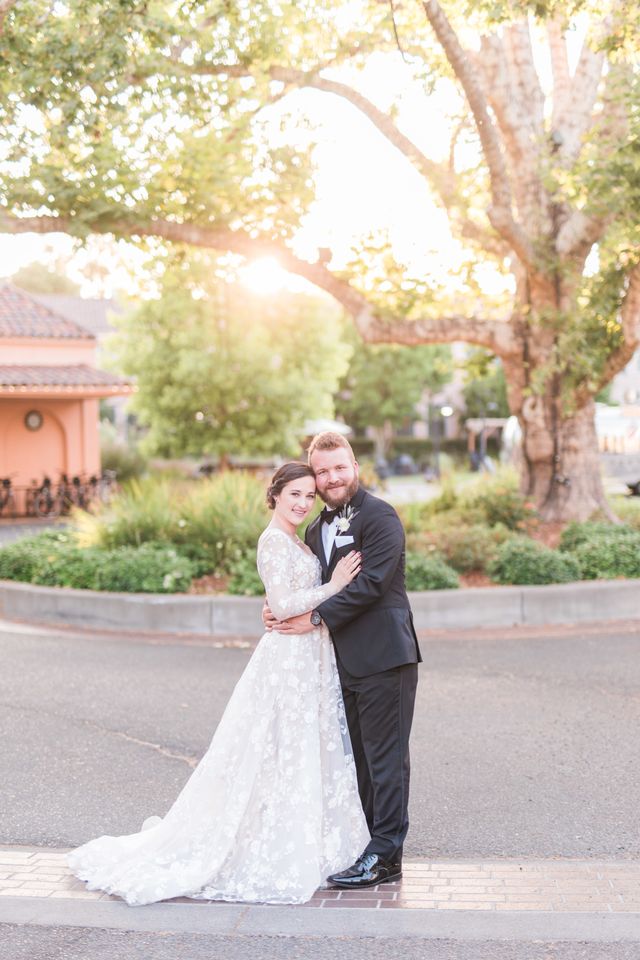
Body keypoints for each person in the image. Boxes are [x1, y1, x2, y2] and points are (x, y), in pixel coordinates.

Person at [67, 462, 369, 906]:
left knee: (300, 748)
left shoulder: (297, 541)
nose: (304, 503)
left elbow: (280, 601)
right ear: (275, 496)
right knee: (276, 749)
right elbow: (283, 604)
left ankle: (308, 837)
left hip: (309, 655)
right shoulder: (271, 541)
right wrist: (335, 585)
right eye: (295, 495)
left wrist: (306, 599)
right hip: (287, 658)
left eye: (309, 496)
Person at [264, 432, 421, 889]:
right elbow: (307, 583)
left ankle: (386, 854)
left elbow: (371, 584)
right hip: (340, 663)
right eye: (322, 471)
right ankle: (369, 844)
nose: (332, 478)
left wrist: (313, 618)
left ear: (355, 465)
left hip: (384, 656)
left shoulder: (380, 517)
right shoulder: (314, 529)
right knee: (360, 762)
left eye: (340, 467)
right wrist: (279, 607)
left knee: (386, 759)